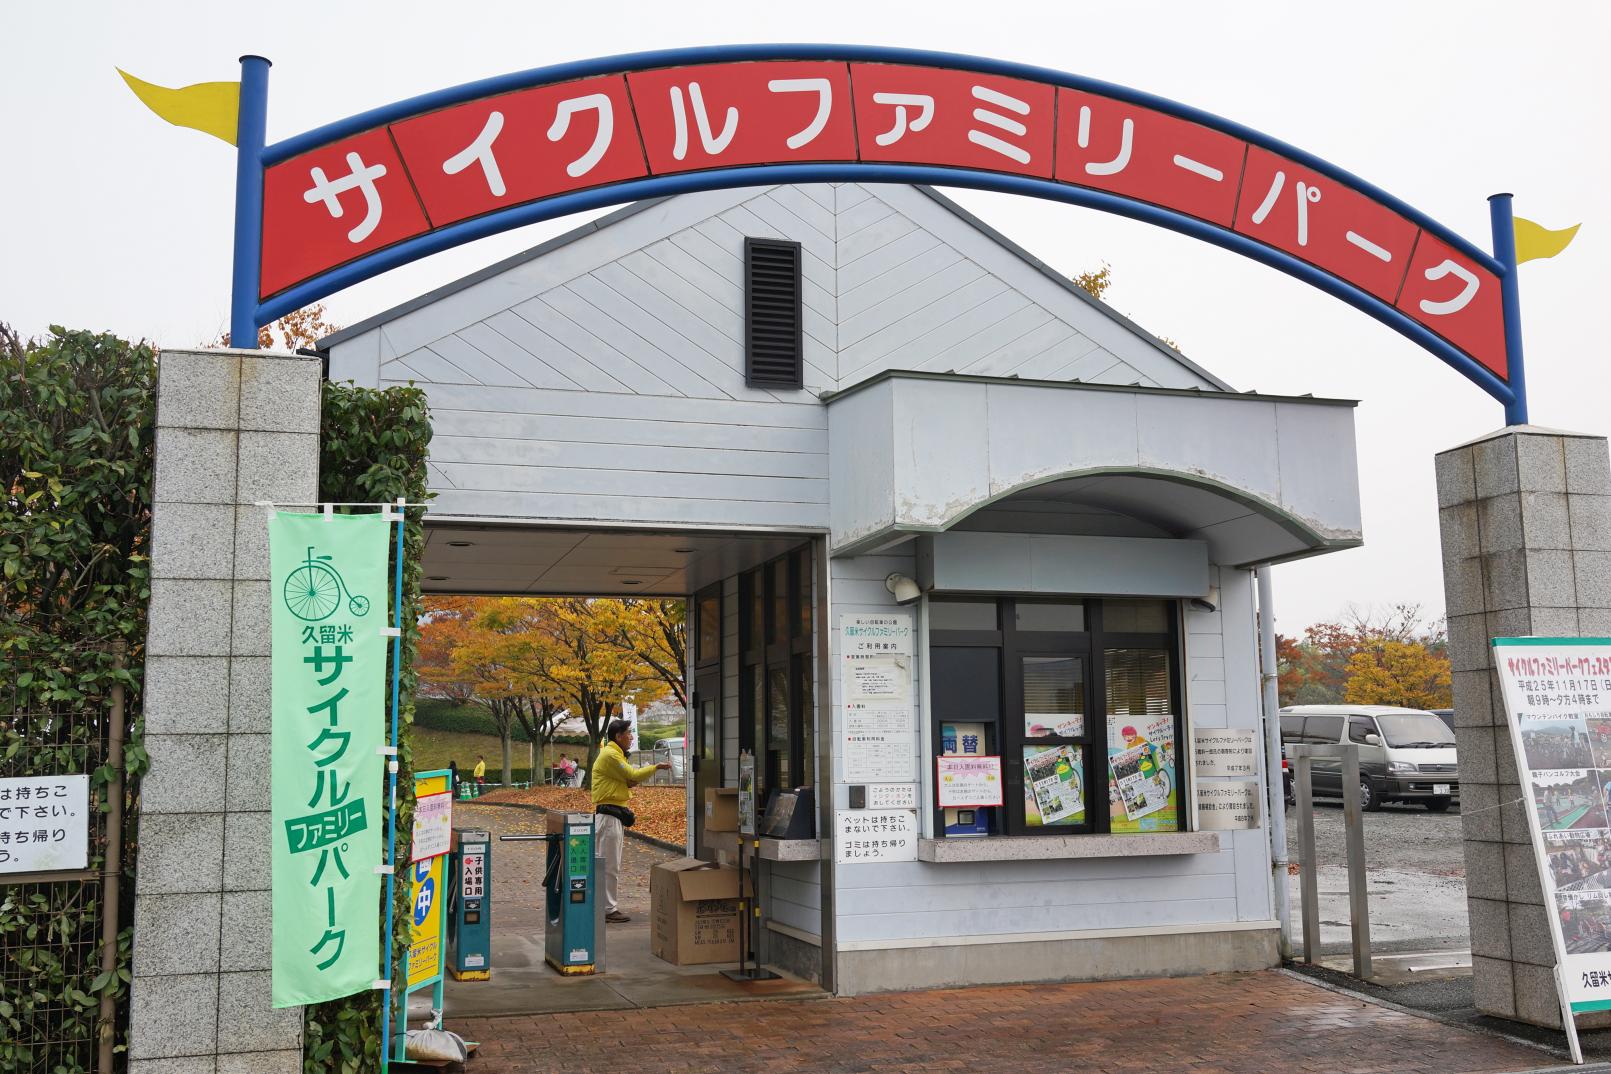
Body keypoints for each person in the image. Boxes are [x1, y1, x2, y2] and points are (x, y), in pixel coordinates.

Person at [590, 719, 670, 923]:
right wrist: (656, 767)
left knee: (606, 863)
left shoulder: (614, 754)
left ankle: (602, 906)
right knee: (609, 865)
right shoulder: (610, 755)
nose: (632, 737)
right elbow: (633, 775)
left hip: (611, 815)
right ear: (618, 736)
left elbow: (628, 780)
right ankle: (608, 909)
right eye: (629, 733)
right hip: (609, 817)